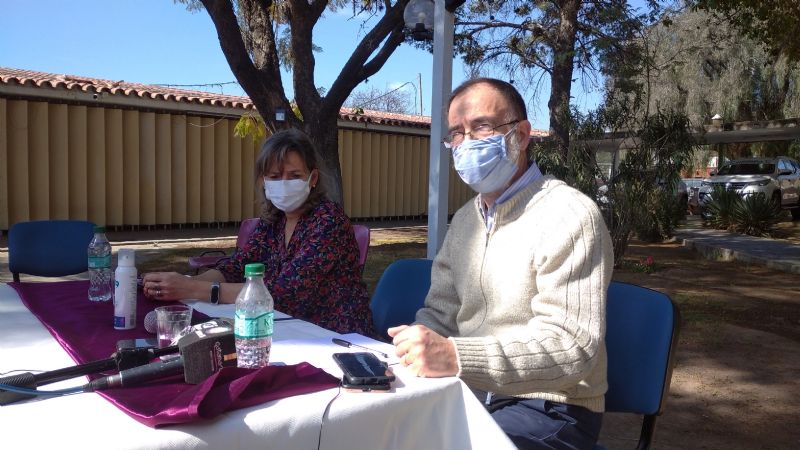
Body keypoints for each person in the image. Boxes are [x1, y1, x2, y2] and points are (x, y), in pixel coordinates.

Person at [389, 78, 613, 449]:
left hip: (551, 405)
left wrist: (456, 356)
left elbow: (572, 348)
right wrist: (408, 352)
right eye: (457, 133)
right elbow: (439, 314)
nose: (467, 142)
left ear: (521, 135)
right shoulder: (465, 220)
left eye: (481, 127)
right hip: (468, 393)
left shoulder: (571, 215)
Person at [142, 129, 373, 336]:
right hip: (283, 326)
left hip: (337, 336)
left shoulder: (328, 220)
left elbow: (285, 292)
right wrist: (183, 282)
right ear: (264, 181)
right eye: (274, 176)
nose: (283, 183)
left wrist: (193, 288)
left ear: (312, 179)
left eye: (294, 176)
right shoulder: (274, 220)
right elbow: (236, 266)